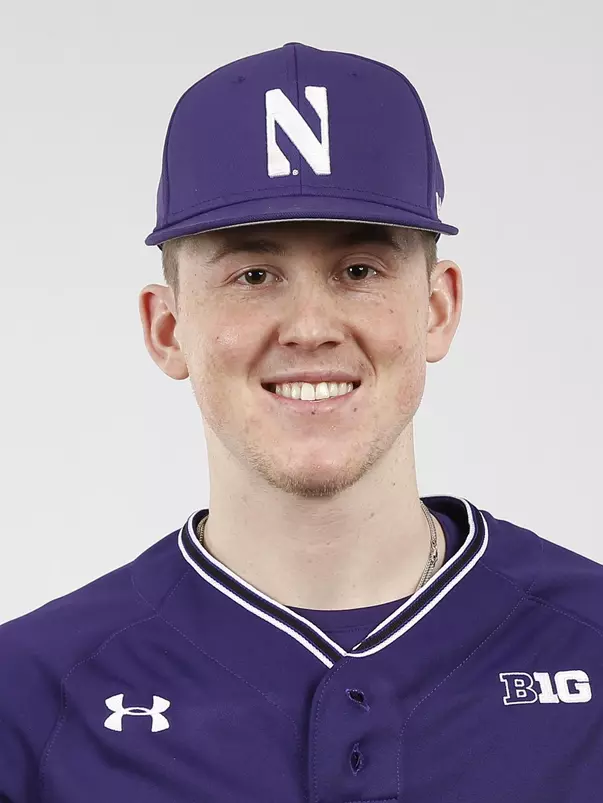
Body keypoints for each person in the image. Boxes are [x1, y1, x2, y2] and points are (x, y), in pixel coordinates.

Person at [1, 42, 602, 803]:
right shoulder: (27, 697)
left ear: (438, 309)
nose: (310, 326)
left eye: (359, 270)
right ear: (166, 327)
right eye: (253, 275)